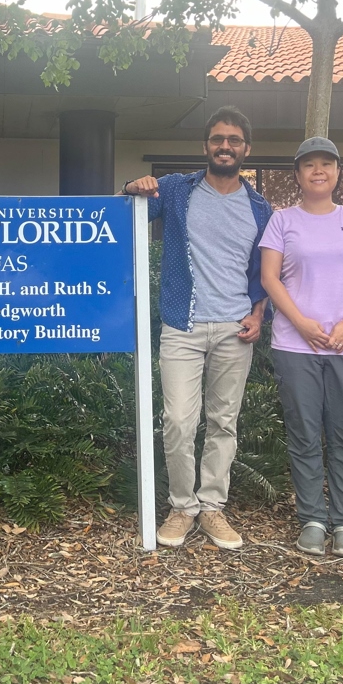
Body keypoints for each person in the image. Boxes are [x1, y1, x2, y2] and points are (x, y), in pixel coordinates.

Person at [123, 106, 272, 550]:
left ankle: (212, 507)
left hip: (234, 328)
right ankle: (182, 507)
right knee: (179, 421)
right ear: (206, 145)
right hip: (182, 324)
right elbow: (125, 216)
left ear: (247, 149)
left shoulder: (260, 207)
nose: (225, 146)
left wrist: (258, 313)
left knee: (223, 422)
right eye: (217, 139)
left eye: (234, 140)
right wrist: (132, 187)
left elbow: (264, 270)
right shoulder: (175, 189)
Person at [260, 137, 343, 559]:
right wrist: (302, 323)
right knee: (305, 434)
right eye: (308, 164)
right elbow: (270, 278)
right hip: (295, 345)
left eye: (326, 164)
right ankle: (311, 517)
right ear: (297, 175)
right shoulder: (281, 221)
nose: (317, 171)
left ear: (337, 173)